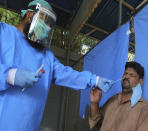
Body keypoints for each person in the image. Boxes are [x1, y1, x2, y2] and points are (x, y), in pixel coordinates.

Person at [0, 0, 113, 130]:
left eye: (50, 24)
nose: (47, 27)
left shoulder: (46, 56)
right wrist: (9, 75)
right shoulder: (3, 33)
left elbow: (66, 74)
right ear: (30, 15)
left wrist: (93, 79)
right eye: (45, 20)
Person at [89, 61, 148, 131]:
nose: (126, 76)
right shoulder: (113, 99)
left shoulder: (144, 108)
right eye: (125, 73)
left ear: (140, 82)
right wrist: (94, 103)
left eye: (131, 75)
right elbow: (97, 123)